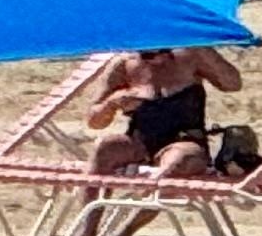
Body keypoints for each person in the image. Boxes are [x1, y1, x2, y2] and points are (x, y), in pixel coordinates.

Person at [86, 45, 242, 179]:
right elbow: (94, 121)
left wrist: (204, 50)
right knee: (105, 148)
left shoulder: (190, 55)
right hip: (140, 141)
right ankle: (89, 206)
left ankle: (144, 201)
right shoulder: (125, 63)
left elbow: (233, 84)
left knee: (179, 160)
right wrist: (112, 103)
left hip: (185, 140)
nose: (155, 60)